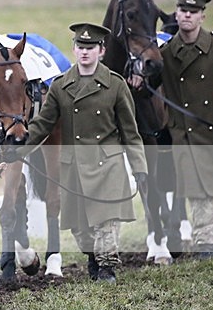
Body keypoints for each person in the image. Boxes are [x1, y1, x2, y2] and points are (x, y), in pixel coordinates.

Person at [11, 22, 148, 283]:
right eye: (80, 47)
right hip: (73, 166)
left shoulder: (116, 85)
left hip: (106, 164)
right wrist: (18, 147)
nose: (85, 52)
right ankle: (94, 256)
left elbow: (130, 132)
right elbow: (43, 125)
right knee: (81, 230)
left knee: (106, 221)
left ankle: (107, 267)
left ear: (101, 51)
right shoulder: (61, 86)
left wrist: (139, 167)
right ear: (74, 49)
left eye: (91, 47)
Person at [161, 0, 213, 260]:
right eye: (183, 10)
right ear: (176, 14)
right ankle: (206, 246)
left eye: (193, 12)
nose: (187, 15)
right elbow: (150, 87)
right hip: (186, 133)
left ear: (202, 17)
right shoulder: (166, 53)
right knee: (198, 192)